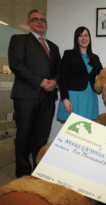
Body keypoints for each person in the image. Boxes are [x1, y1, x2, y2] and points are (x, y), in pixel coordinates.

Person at [8, 9, 61, 178]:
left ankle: (38, 171)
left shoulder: (53, 46)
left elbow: (60, 70)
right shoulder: (19, 40)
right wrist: (41, 81)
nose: (40, 22)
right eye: (35, 19)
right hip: (26, 96)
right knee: (24, 135)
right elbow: (16, 65)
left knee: (41, 136)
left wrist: (55, 81)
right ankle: (23, 172)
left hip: (48, 97)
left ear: (46, 25)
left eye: (43, 20)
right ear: (29, 23)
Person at [57, 26, 103, 121]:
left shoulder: (95, 58)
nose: (84, 38)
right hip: (73, 98)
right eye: (81, 36)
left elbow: (103, 74)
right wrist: (65, 99)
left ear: (89, 38)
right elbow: (63, 77)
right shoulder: (69, 54)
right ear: (76, 39)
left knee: (86, 132)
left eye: (86, 35)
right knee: (73, 130)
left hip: (90, 97)